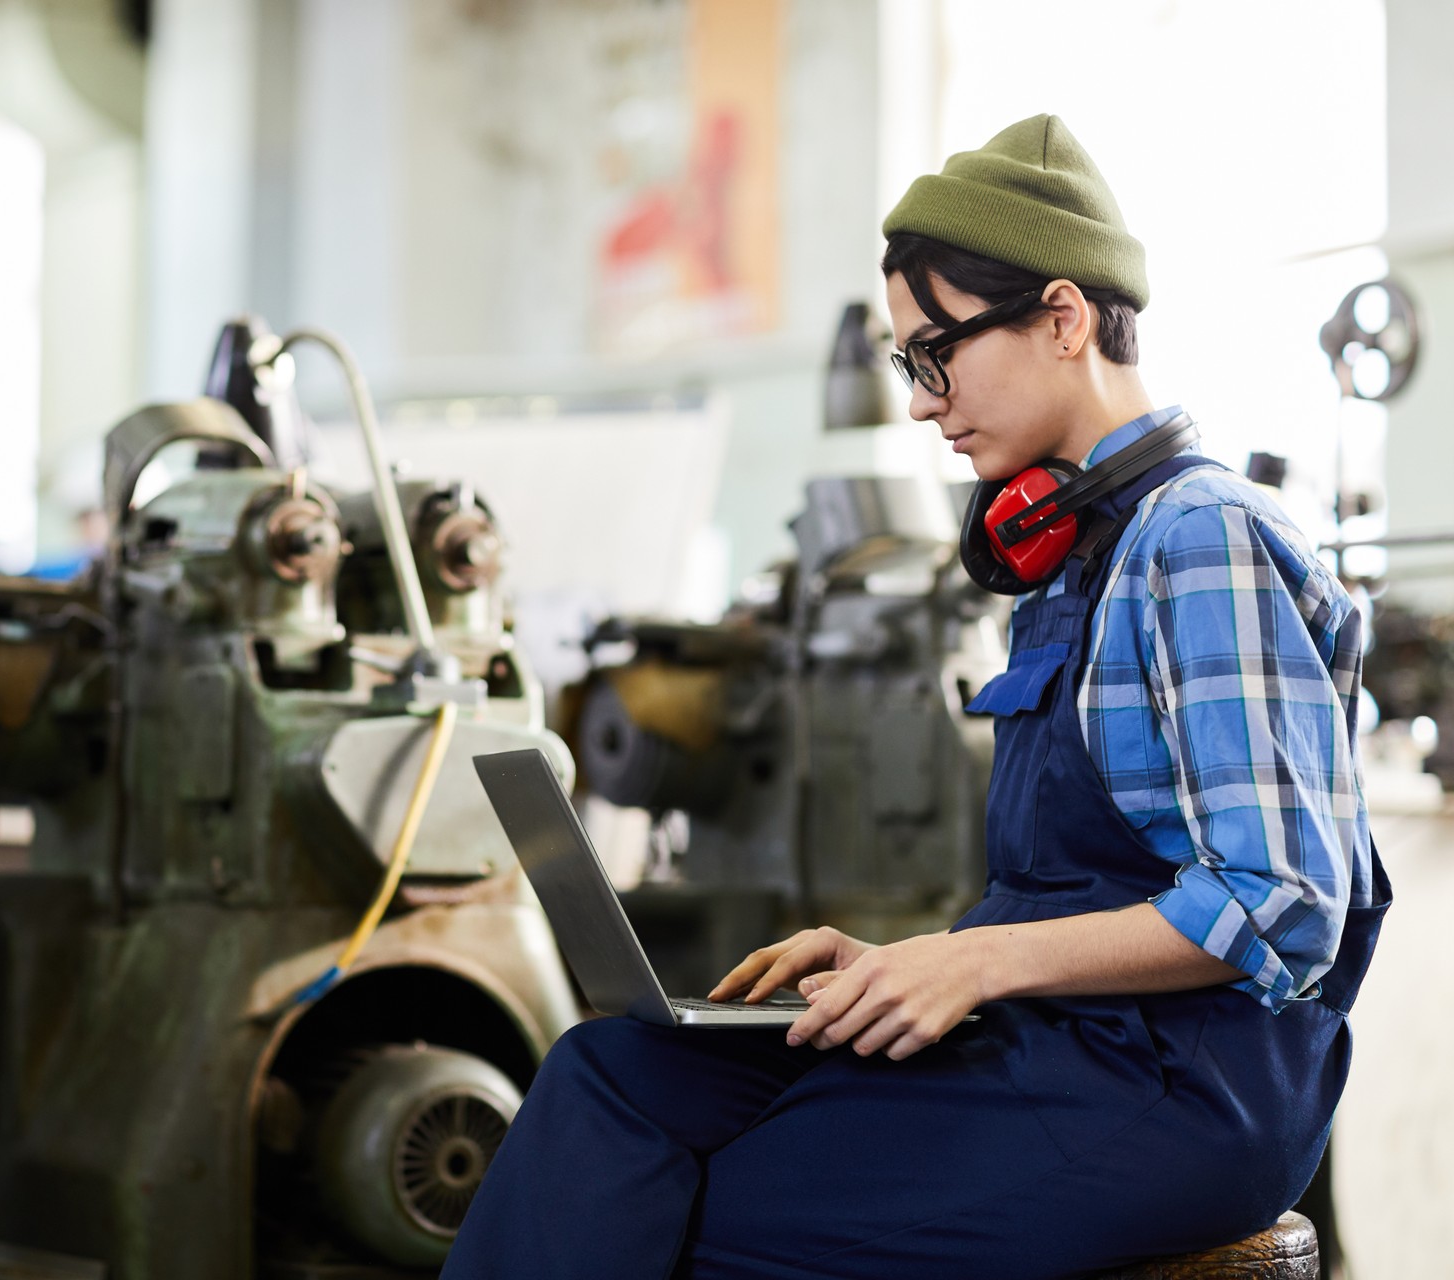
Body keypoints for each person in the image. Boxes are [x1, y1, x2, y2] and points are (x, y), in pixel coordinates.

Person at [440, 114, 1389, 1279]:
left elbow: (1284, 897)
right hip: (1061, 1038)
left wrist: (974, 964)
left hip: (1185, 1087)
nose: (924, 401)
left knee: (705, 1210)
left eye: (937, 351)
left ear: (1062, 317)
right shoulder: (1077, 554)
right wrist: (919, 959)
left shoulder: (1199, 536)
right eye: (909, 362)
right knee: (613, 1080)